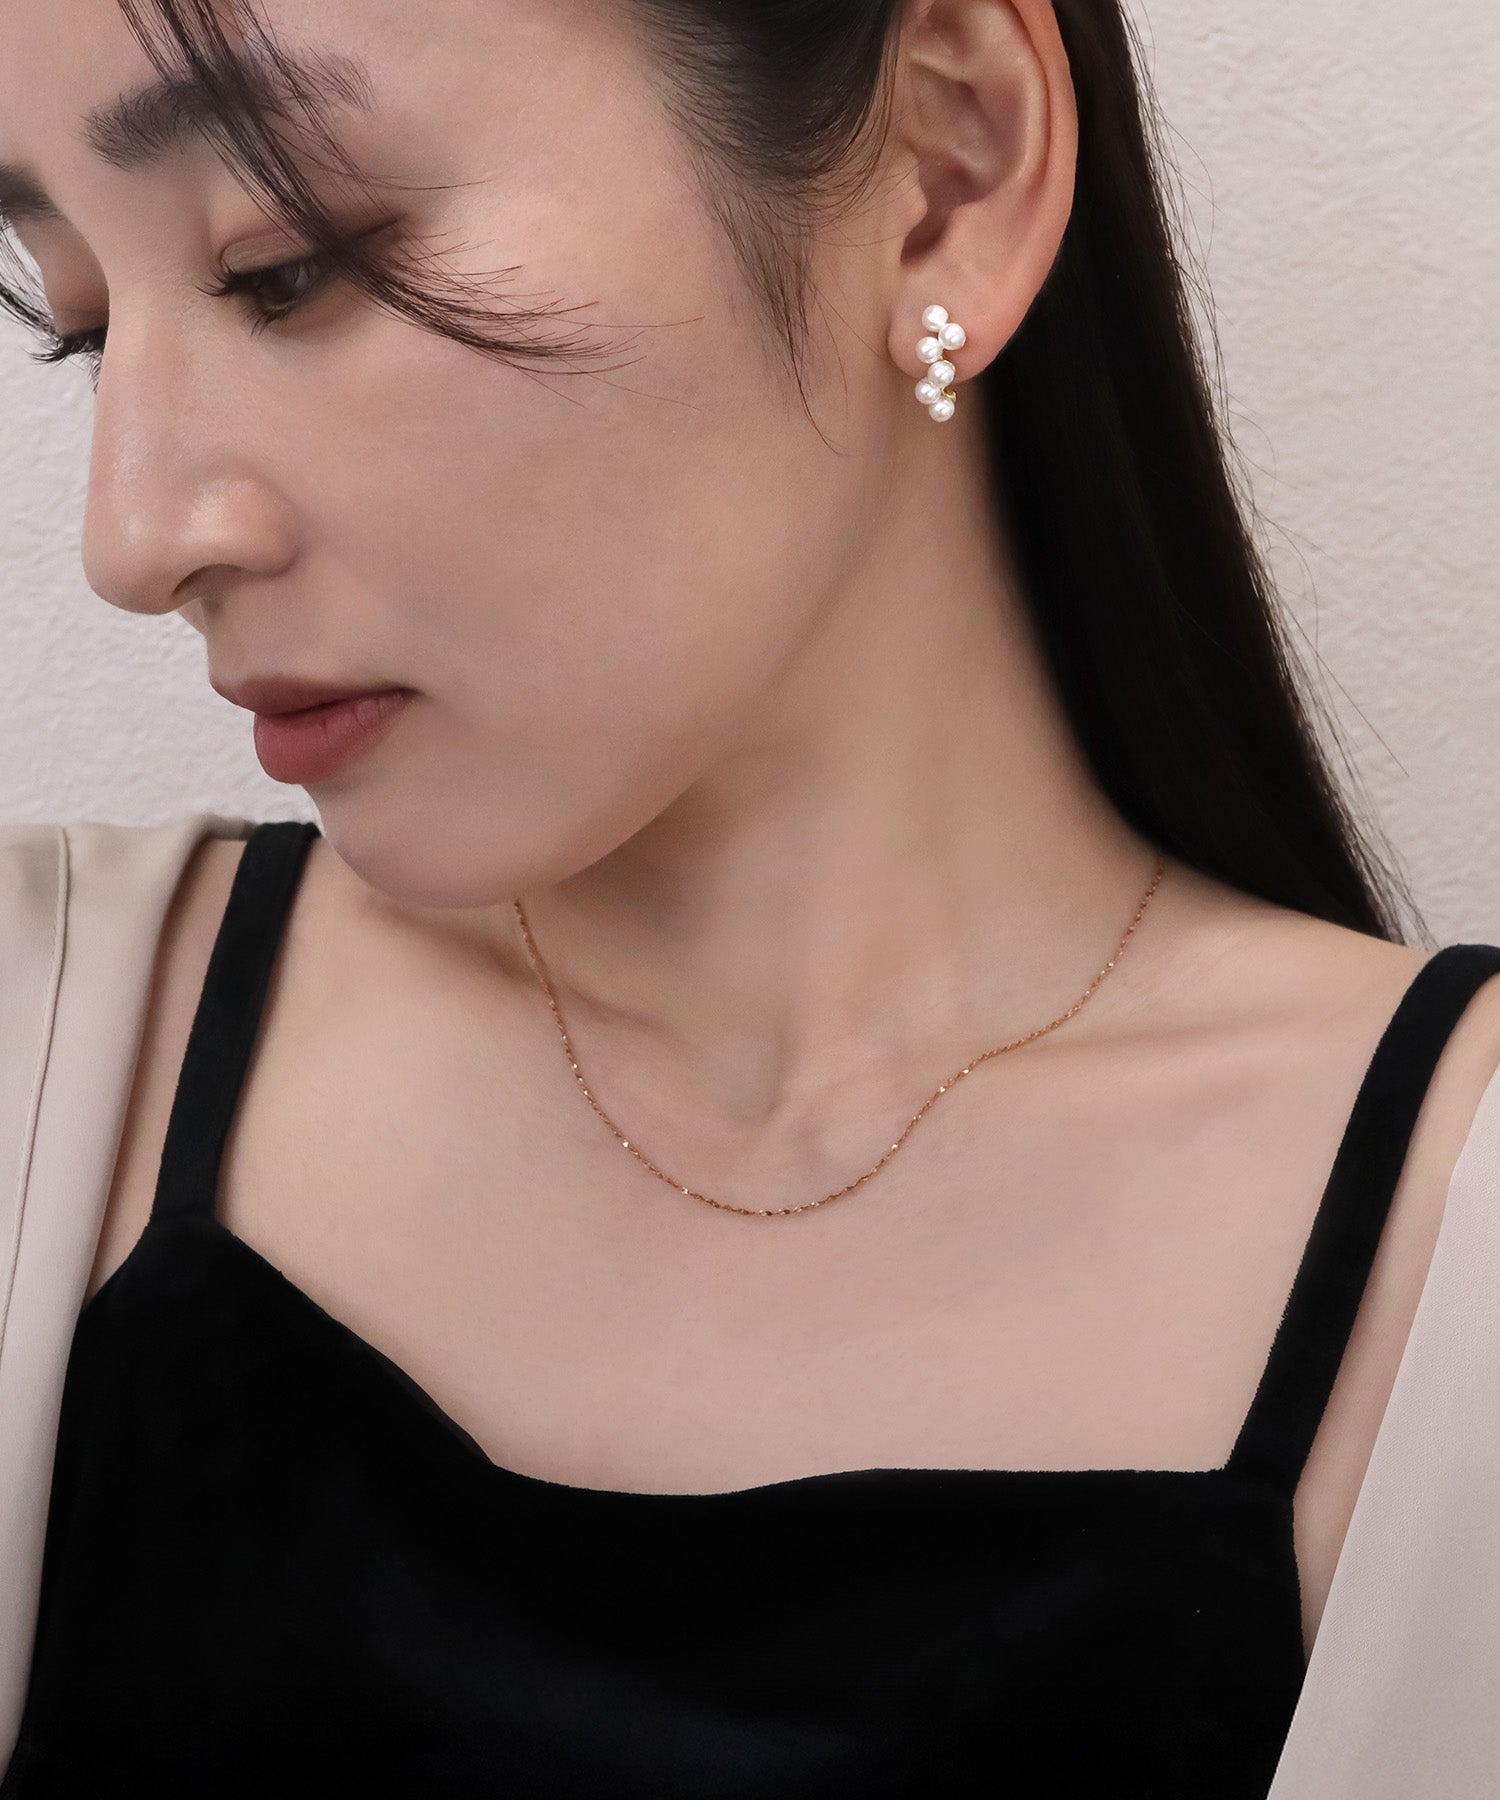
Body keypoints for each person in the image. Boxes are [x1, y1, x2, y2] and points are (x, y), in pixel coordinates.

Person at [0, 0, 1496, 1794]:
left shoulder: (1459, 1276)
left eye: (288, 264)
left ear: (945, 169)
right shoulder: (43, 1054)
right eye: (82, 323)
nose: (134, 537)